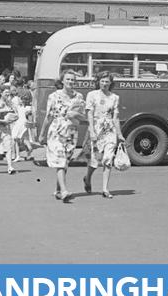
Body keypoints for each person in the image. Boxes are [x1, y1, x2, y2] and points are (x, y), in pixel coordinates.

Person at [39, 70, 85, 203]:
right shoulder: (54, 96)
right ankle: (64, 191)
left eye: (73, 80)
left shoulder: (79, 97)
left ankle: (58, 190)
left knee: (65, 162)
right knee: (60, 160)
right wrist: (42, 134)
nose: (71, 82)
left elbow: (83, 117)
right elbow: (49, 116)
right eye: (68, 79)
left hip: (71, 132)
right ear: (62, 81)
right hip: (56, 131)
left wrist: (75, 115)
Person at [84, 71, 124, 199]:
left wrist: (119, 134)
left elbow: (116, 117)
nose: (104, 84)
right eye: (102, 81)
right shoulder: (92, 95)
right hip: (97, 128)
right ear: (98, 82)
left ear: (111, 83)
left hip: (109, 130)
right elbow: (89, 114)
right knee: (95, 161)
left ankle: (105, 189)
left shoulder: (114, 97)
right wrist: (91, 130)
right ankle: (88, 178)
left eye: (107, 81)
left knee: (108, 159)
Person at [0, 85, 18, 174]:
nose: (7, 94)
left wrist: (12, 118)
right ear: (1, 93)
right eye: (6, 92)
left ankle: (10, 166)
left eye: (8, 92)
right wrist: (2, 120)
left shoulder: (10, 103)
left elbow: (16, 114)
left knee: (8, 146)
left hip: (6, 128)